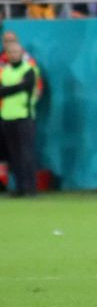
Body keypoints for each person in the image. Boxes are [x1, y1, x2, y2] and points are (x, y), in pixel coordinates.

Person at [0, 42, 39, 196]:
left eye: (17, 52)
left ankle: (30, 187)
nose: (14, 55)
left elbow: (25, 86)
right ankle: (20, 187)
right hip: (6, 116)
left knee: (26, 153)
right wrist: (13, 88)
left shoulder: (29, 70)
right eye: (11, 52)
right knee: (13, 155)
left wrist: (7, 89)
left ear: (21, 53)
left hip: (24, 116)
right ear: (7, 55)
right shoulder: (5, 71)